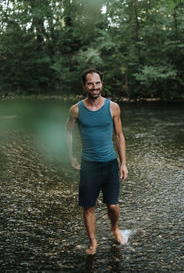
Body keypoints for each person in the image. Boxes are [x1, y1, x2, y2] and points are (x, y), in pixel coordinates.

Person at [66, 68, 128, 255]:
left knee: (113, 205)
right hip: (89, 166)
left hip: (110, 164)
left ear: (102, 83)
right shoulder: (76, 109)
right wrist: (71, 157)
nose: (95, 87)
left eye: (98, 83)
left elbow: (119, 136)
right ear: (84, 86)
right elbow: (67, 133)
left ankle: (114, 228)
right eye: (91, 83)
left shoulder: (113, 107)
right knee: (88, 206)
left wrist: (123, 163)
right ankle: (93, 242)